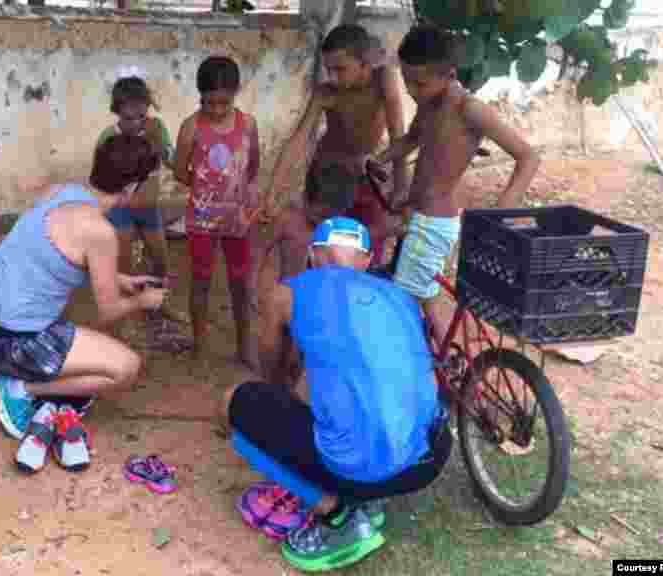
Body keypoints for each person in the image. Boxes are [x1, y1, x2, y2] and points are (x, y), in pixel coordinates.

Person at [220, 217, 452, 572]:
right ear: (367, 260)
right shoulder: (402, 297)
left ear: (314, 257)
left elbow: (269, 367)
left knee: (232, 401)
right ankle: (371, 499)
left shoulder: (287, 294)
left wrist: (275, 400)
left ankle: (339, 516)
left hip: (367, 465)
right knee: (352, 391)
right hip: (431, 456)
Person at [0, 133, 168, 474]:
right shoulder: (100, 232)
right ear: (132, 187)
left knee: (69, 326)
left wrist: (119, 280)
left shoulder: (59, 192)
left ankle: (32, 388)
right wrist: (145, 300)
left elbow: (51, 253)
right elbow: (108, 311)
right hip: (12, 343)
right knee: (126, 368)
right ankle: (19, 389)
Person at [374, 25, 540, 346]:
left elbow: (528, 156)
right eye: (406, 80)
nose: (410, 89)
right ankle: (449, 362)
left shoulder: (470, 109)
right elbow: (410, 140)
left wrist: (504, 206)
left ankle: (423, 365)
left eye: (418, 82)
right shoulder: (429, 104)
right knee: (425, 294)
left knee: (403, 302)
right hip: (417, 215)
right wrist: (380, 159)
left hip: (434, 222)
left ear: (448, 74)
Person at [264, 24, 408, 280]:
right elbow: (297, 141)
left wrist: (400, 187)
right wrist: (272, 191)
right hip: (328, 177)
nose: (332, 77)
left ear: (365, 64)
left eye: (340, 69)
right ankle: (318, 302)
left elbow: (398, 134)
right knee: (325, 250)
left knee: (366, 250)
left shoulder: (384, 78)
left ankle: (355, 308)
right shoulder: (325, 92)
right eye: (328, 69)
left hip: (368, 176)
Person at [173, 55, 261, 368]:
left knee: (240, 282)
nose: (216, 110)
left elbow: (252, 166)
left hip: (237, 219)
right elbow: (180, 172)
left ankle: (243, 346)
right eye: (209, 103)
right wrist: (206, 190)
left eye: (223, 103)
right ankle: (199, 344)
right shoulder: (191, 127)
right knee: (200, 280)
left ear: (236, 93)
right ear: (200, 96)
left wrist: (235, 196)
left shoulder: (247, 124)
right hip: (201, 220)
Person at [97, 75, 187, 351]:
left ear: (148, 108)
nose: (136, 123)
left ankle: (158, 305)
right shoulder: (109, 137)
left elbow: (172, 161)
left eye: (141, 115)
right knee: (124, 267)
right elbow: (100, 178)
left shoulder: (156, 128)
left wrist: (163, 148)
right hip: (121, 211)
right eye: (129, 117)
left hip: (149, 209)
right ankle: (125, 323)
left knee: (160, 260)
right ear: (117, 110)